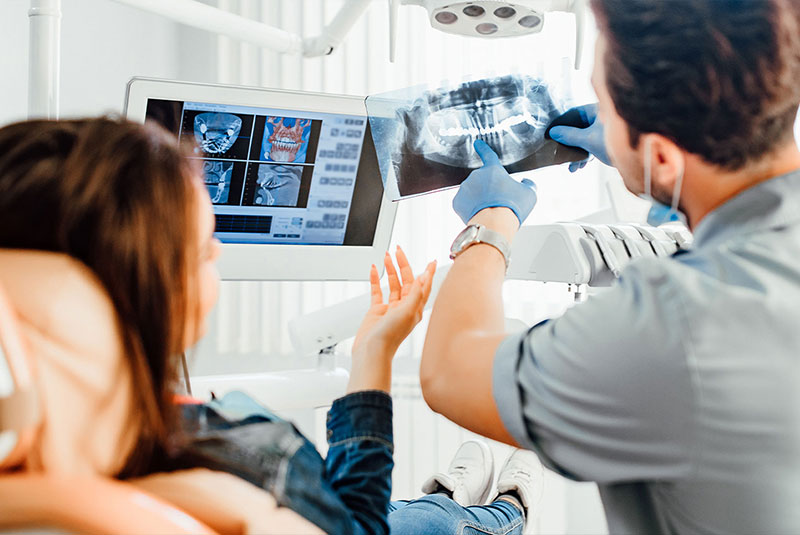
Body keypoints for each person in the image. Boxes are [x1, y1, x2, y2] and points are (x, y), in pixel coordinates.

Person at [0, 117, 543, 535]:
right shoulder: (232, 480)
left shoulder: (108, 437)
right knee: (436, 526)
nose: (218, 251)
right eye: (201, 249)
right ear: (137, 284)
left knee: (420, 516)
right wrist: (492, 228)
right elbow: (357, 522)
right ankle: (506, 511)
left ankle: (450, 491)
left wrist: (372, 348)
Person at [420, 0, 800, 533]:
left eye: (604, 101)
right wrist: (638, 157)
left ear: (664, 154)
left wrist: (490, 222)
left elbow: (448, 373)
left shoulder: (676, 326)